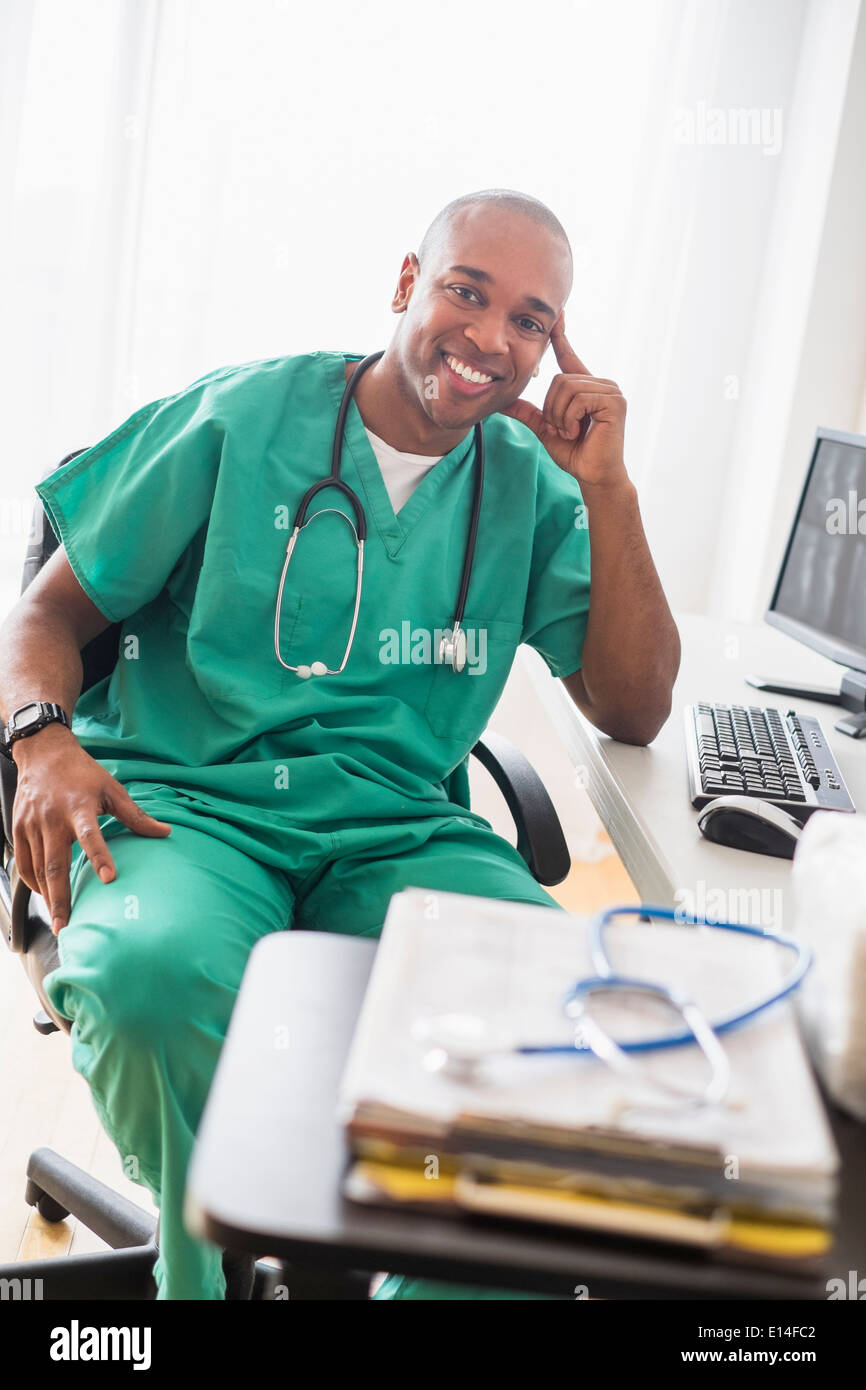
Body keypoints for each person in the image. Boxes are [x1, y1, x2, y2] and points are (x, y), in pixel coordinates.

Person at [0, 188, 680, 1300]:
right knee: (151, 978)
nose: (491, 338)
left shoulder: (529, 487)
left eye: (529, 319)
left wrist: (607, 491)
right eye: (467, 290)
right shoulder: (240, 416)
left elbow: (635, 706)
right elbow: (42, 617)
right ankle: (195, 1281)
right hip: (188, 804)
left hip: (393, 827)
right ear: (406, 284)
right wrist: (39, 741)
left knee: (557, 1030)